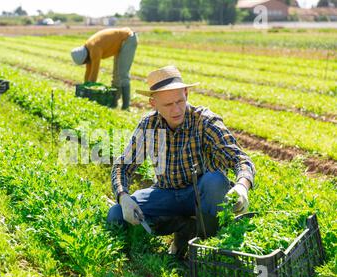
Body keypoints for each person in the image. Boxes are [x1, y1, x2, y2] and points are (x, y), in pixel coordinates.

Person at [107, 66, 256, 258]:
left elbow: (240, 159)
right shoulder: (149, 126)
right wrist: (123, 197)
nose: (176, 109)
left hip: (201, 195)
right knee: (116, 215)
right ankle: (184, 228)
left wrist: (242, 186)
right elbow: (122, 166)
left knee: (215, 181)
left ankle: (205, 248)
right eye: (168, 105)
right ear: (153, 103)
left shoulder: (204, 121)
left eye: (180, 101)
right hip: (166, 194)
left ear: (186, 93)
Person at [70, 27, 138, 110]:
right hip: (119, 44)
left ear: (85, 58)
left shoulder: (94, 48)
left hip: (128, 39)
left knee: (122, 73)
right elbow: (88, 71)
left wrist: (89, 89)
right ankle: (114, 102)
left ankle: (126, 106)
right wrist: (85, 84)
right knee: (116, 75)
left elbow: (94, 72)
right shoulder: (88, 48)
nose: (86, 64)